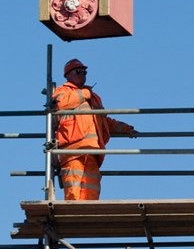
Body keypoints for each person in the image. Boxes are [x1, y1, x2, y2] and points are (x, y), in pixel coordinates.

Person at [52, 59, 138, 200]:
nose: (83, 74)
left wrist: (127, 129)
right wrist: (85, 93)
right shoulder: (63, 91)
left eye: (84, 72)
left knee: (91, 190)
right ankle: (72, 215)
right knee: (73, 189)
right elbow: (60, 104)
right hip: (72, 151)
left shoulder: (94, 98)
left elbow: (104, 121)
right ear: (68, 75)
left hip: (92, 151)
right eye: (78, 71)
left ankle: (87, 215)